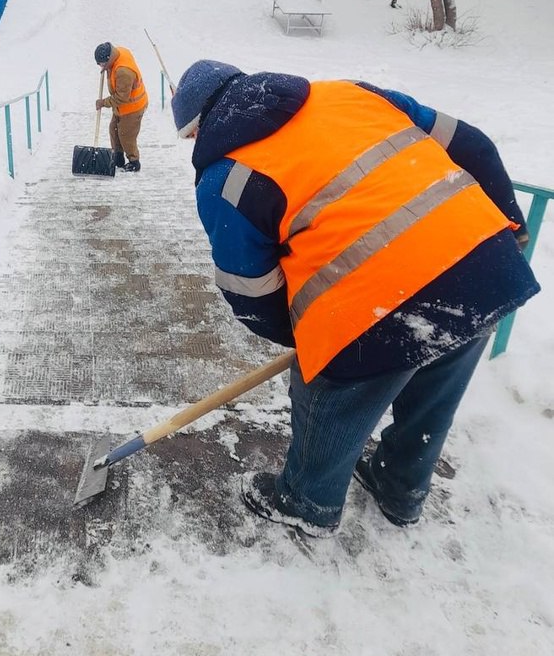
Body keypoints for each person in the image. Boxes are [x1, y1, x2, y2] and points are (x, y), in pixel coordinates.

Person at [171, 60, 540, 538]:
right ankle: (399, 485)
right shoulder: (350, 95)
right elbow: (474, 144)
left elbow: (250, 292)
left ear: (199, 127)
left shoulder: (227, 179)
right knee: (438, 378)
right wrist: (510, 223)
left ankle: (306, 500)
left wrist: (313, 342)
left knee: (327, 393)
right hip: (485, 265)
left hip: (377, 300)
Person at [94, 42, 148, 172]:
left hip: (133, 107)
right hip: (122, 107)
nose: (100, 67)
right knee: (114, 129)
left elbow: (121, 97)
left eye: (101, 64)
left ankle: (134, 162)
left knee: (126, 135)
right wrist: (107, 68)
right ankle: (118, 157)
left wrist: (103, 103)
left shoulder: (123, 72)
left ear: (108, 60)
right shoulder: (117, 54)